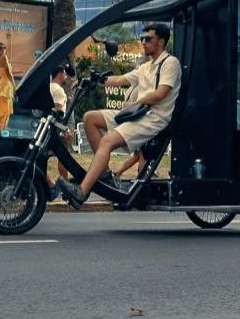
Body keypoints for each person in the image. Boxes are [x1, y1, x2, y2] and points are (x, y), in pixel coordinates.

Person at [56, 24, 181, 208]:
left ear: (161, 41)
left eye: (148, 39)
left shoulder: (170, 63)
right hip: (137, 113)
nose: (143, 42)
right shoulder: (146, 66)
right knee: (90, 118)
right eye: (142, 38)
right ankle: (105, 175)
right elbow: (121, 79)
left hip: (154, 117)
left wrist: (136, 102)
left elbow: (160, 94)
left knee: (107, 142)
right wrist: (92, 79)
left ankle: (81, 192)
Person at [46, 64, 71, 200]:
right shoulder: (59, 90)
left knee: (42, 158)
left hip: (46, 128)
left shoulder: (48, 87)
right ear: (60, 74)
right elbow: (59, 110)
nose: (66, 76)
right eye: (64, 73)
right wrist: (64, 129)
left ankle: (50, 184)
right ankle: (65, 189)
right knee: (63, 158)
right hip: (57, 128)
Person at [0, 42, 15, 133]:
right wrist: (14, 85)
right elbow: (9, 74)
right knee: (4, 111)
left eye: (4, 47)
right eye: (0, 48)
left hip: (3, 85)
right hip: (6, 85)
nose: (3, 49)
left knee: (2, 110)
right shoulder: (3, 58)